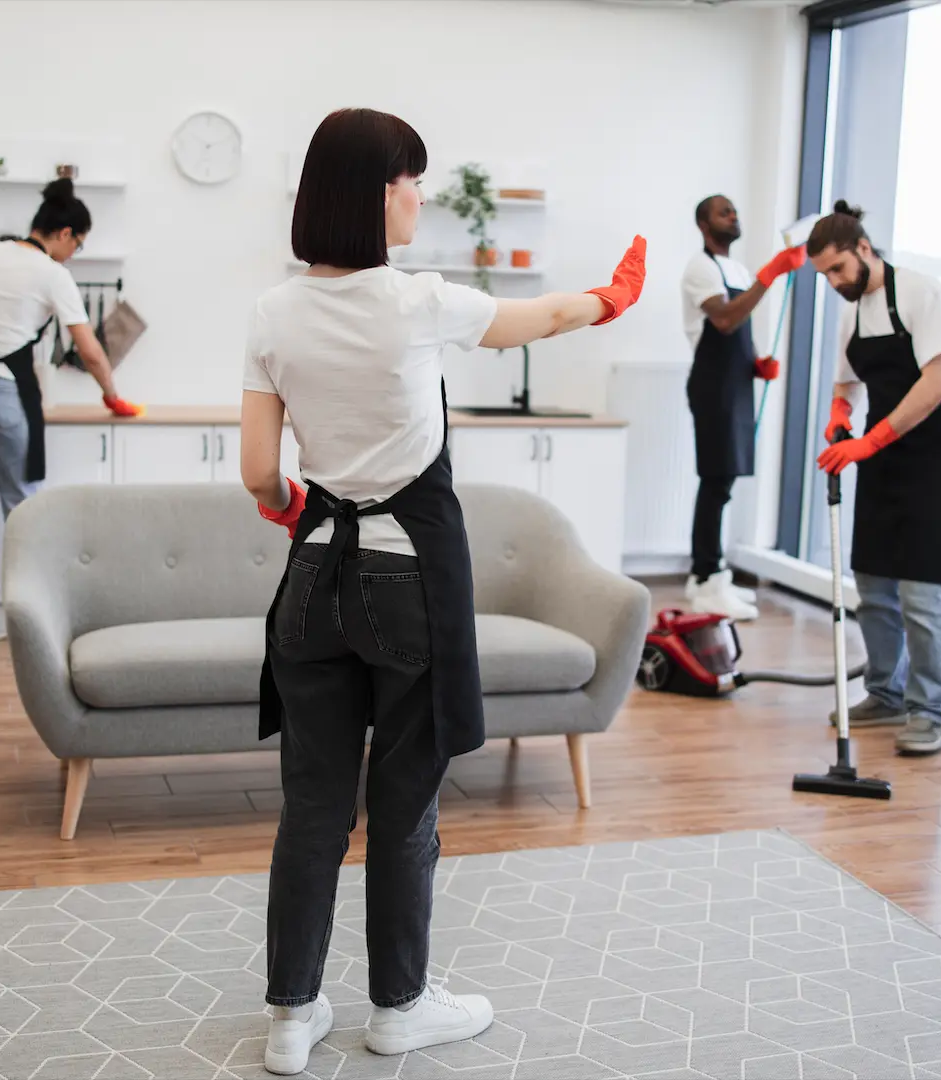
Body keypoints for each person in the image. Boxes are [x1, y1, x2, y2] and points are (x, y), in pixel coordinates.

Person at [239, 107, 646, 1076]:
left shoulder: (272, 311)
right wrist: (613, 294)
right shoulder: (417, 301)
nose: (419, 195)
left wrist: (292, 502)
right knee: (405, 799)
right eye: (411, 179)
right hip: (405, 584)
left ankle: (290, 1019)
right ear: (376, 192)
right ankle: (399, 1006)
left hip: (310, 579)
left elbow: (259, 471)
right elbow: (539, 318)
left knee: (312, 807)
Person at [0, 178, 141, 647]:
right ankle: (32, 620)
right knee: (26, 512)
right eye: (78, 244)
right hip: (3, 394)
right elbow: (88, 349)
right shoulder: (52, 273)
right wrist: (112, 395)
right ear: (64, 233)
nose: (73, 255)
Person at [806, 200, 941, 755]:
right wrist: (841, 416)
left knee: (920, 594)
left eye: (837, 269)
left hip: (931, 456)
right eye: (825, 274)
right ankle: (885, 692)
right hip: (878, 452)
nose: (832, 282)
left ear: (865, 250)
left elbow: (937, 384)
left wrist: (870, 440)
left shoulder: (922, 293)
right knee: (873, 584)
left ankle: (930, 710)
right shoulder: (853, 310)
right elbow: (847, 383)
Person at [680, 194, 806, 620]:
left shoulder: (735, 270)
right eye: (723, 212)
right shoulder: (702, 267)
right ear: (703, 224)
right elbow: (724, 320)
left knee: (725, 481)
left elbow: (740, 330)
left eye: (734, 210)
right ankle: (704, 579)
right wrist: (769, 277)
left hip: (735, 384)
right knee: (715, 482)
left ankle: (715, 576)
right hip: (712, 385)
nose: (733, 216)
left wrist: (757, 364)